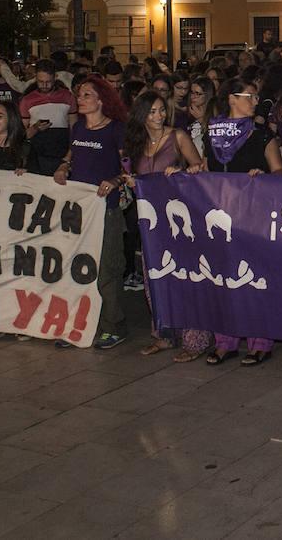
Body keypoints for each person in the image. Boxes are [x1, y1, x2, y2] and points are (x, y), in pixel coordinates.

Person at [122, 90, 210, 363]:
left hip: (179, 219)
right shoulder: (136, 143)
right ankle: (163, 333)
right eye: (152, 111)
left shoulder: (177, 137)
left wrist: (182, 173)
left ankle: (195, 339)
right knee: (155, 279)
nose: (159, 116)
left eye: (162, 110)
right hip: (151, 220)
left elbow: (200, 169)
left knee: (185, 276)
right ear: (142, 116)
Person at [202, 77, 282, 366]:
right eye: (248, 96)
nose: (254, 101)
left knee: (254, 278)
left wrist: (263, 179)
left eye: (255, 96)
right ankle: (225, 340)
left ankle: (260, 341)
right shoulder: (211, 134)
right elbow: (204, 169)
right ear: (231, 99)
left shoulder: (262, 134)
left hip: (254, 217)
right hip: (221, 214)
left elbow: (279, 171)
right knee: (223, 279)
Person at [53, 77, 130, 351]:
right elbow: (70, 155)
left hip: (106, 210)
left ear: (101, 100)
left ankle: (112, 326)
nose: (80, 99)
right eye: (79, 94)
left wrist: (115, 181)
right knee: (77, 269)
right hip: (79, 211)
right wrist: (63, 167)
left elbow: (129, 167)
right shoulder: (77, 129)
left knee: (107, 269)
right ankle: (78, 323)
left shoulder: (115, 130)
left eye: (87, 95)